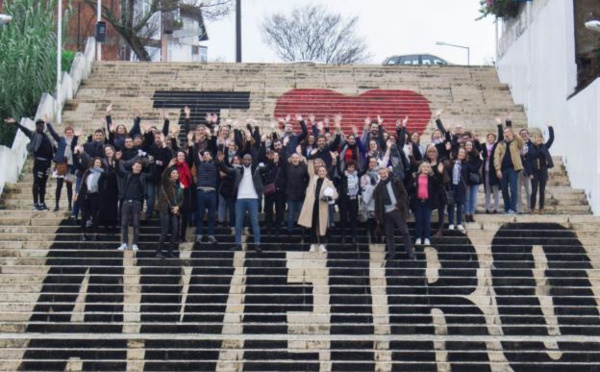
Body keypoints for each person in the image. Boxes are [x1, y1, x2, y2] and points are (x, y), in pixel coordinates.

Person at [4, 117, 55, 210]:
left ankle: (42, 203)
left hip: (47, 164)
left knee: (43, 184)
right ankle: (35, 204)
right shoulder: (33, 135)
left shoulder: (47, 137)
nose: (41, 126)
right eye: (39, 125)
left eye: (42, 125)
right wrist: (15, 123)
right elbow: (24, 130)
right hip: (39, 163)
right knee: (37, 184)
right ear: (36, 126)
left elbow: (54, 149)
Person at [217, 152, 263, 252]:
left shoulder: (256, 170)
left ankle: (257, 244)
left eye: (249, 159)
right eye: (245, 159)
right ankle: (238, 244)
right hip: (240, 199)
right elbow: (226, 169)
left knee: (255, 222)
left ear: (251, 161)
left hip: (253, 199)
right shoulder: (237, 170)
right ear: (242, 161)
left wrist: (271, 160)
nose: (247, 161)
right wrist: (221, 162)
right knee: (238, 223)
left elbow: (267, 168)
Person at [374, 167, 414, 260]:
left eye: (384, 173)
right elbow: (377, 204)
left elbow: (404, 194)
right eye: (381, 174)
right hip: (386, 213)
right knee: (388, 234)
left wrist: (399, 205)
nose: (383, 175)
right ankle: (392, 253)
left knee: (404, 231)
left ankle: (410, 252)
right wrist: (378, 218)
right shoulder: (378, 187)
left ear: (388, 173)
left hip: (396, 210)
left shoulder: (395, 181)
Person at [298, 164, 338, 253]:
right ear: (318, 172)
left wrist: (329, 198)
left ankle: (322, 245)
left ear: (326, 172)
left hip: (322, 206)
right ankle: (312, 244)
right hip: (312, 205)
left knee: (322, 225)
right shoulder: (313, 180)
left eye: (323, 171)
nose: (322, 172)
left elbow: (335, 194)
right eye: (320, 171)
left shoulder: (329, 182)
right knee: (311, 225)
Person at [116, 157, 150, 251]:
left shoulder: (143, 176)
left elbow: (153, 175)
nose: (138, 168)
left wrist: (152, 163)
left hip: (137, 202)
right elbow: (118, 171)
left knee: (136, 224)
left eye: (139, 167)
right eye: (136, 166)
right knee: (124, 224)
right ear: (132, 167)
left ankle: (135, 244)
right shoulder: (127, 175)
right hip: (126, 201)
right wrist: (117, 160)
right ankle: (124, 243)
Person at [47, 123, 80, 212]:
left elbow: (77, 155)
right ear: (65, 133)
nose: (69, 134)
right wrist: (48, 124)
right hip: (61, 164)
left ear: (73, 133)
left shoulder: (76, 142)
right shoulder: (61, 140)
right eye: (67, 132)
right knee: (59, 185)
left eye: (71, 132)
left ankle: (70, 205)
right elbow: (53, 134)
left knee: (69, 186)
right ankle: (57, 205)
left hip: (71, 165)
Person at [155, 162, 184, 258]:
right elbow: (163, 175)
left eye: (176, 173)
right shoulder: (166, 183)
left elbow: (182, 200)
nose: (175, 174)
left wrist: (178, 207)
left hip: (174, 210)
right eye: (173, 173)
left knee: (175, 231)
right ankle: (159, 252)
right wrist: (169, 166)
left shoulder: (179, 186)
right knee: (165, 230)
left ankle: (170, 251)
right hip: (164, 209)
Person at [494, 126, 525, 214]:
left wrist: (514, 134)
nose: (506, 133)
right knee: (504, 190)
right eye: (505, 132)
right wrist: (497, 169)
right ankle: (507, 208)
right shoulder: (500, 144)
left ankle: (513, 208)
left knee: (513, 189)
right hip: (503, 170)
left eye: (508, 132)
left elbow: (522, 143)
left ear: (511, 132)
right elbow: (496, 157)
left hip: (513, 169)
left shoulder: (516, 142)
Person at [410, 162, 442, 245]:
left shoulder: (432, 178)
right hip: (417, 202)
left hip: (428, 202)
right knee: (418, 221)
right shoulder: (415, 177)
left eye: (428, 167)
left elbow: (439, 184)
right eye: (424, 166)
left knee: (427, 221)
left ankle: (427, 238)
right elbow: (408, 189)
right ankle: (418, 238)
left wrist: (440, 173)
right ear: (420, 168)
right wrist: (413, 185)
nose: (425, 168)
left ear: (430, 169)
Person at [194, 150, 219, 244]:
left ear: (211, 157)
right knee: (200, 214)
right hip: (201, 191)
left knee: (211, 216)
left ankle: (211, 235)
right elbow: (194, 155)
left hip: (211, 192)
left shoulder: (215, 165)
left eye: (207, 154)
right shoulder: (199, 164)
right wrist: (194, 144)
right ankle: (199, 235)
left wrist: (220, 142)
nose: (205, 155)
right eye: (204, 154)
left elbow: (220, 153)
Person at [529, 125, 555, 213]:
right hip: (534, 172)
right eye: (536, 139)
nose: (538, 140)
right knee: (534, 190)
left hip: (543, 171)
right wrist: (530, 173)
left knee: (542, 191)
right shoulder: (530, 148)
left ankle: (541, 208)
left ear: (542, 140)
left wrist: (550, 127)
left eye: (540, 139)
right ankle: (532, 208)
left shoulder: (545, 147)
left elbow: (551, 138)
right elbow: (528, 161)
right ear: (534, 139)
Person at [481, 119, 504, 214]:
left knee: (495, 190)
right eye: (489, 137)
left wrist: (499, 125)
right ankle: (487, 207)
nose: (490, 139)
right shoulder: (484, 146)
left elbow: (501, 136)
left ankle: (496, 208)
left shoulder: (496, 145)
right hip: (485, 171)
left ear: (494, 139)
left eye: (492, 137)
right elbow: (485, 155)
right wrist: (482, 144)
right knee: (487, 191)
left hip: (494, 171)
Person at [284, 152, 309, 236]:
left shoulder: (303, 167)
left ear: (299, 159)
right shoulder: (287, 168)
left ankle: (303, 230)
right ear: (291, 159)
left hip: (300, 195)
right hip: (290, 195)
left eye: (296, 157)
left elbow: (308, 177)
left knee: (302, 214)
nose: (295, 159)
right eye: (293, 158)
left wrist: (305, 188)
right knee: (291, 215)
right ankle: (289, 231)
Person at [337, 160, 360, 244]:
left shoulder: (357, 175)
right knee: (343, 217)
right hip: (344, 199)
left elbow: (364, 170)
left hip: (353, 198)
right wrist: (338, 158)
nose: (351, 169)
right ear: (347, 168)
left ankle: (354, 236)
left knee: (353, 217)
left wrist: (368, 157)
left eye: (352, 167)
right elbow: (339, 170)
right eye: (349, 167)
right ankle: (343, 236)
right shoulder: (343, 175)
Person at [446, 148, 468, 231]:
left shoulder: (465, 164)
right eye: (460, 152)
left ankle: (459, 223)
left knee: (460, 205)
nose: (461, 154)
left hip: (461, 186)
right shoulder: (450, 162)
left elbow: (469, 173)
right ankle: (451, 223)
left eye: (463, 152)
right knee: (451, 205)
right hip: (452, 185)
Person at [464, 140, 482, 222]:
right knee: (467, 198)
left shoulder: (476, 155)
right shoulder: (463, 155)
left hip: (474, 179)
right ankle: (467, 214)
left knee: (473, 198)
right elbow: (472, 168)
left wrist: (480, 161)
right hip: (466, 179)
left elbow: (475, 168)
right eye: (467, 145)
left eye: (470, 145)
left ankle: (471, 214)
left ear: (472, 146)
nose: (468, 146)